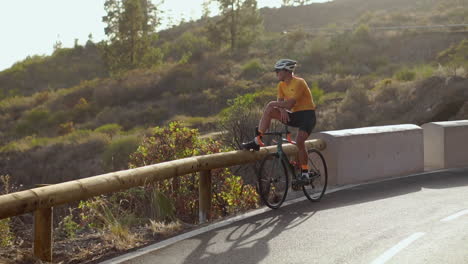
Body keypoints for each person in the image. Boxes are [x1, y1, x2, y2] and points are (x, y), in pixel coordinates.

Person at [241, 59, 317, 182]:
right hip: (294, 115)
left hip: (307, 116)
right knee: (270, 110)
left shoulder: (299, 83)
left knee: (299, 141)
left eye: (278, 71)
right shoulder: (281, 85)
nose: (276, 73)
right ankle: (258, 139)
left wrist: (277, 105)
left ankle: (305, 172)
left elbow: (290, 104)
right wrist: (281, 110)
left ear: (286, 71)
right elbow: (281, 103)